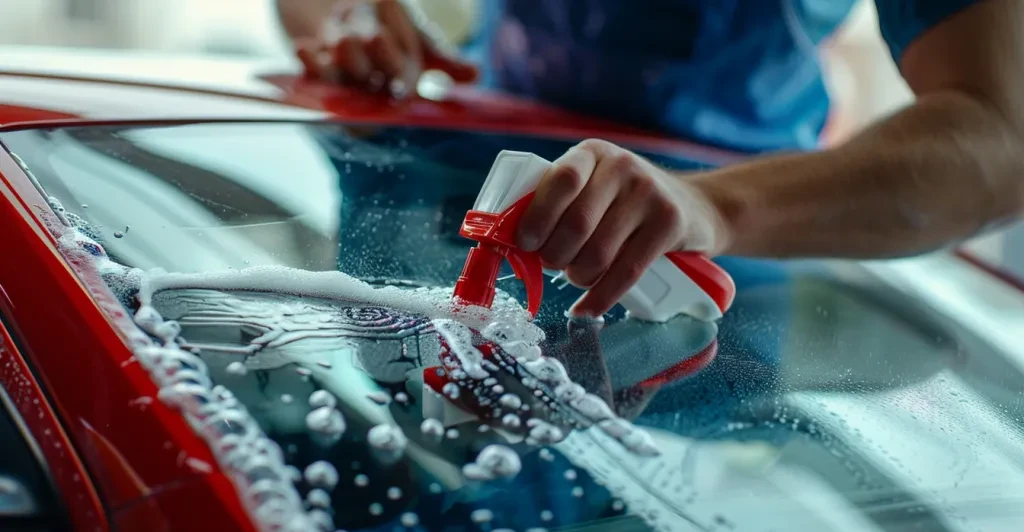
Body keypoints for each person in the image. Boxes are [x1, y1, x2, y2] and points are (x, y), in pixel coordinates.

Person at [276, 0, 1024, 319]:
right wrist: (350, 20)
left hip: (708, 275)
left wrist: (713, 207)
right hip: (442, 206)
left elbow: (1002, 138)